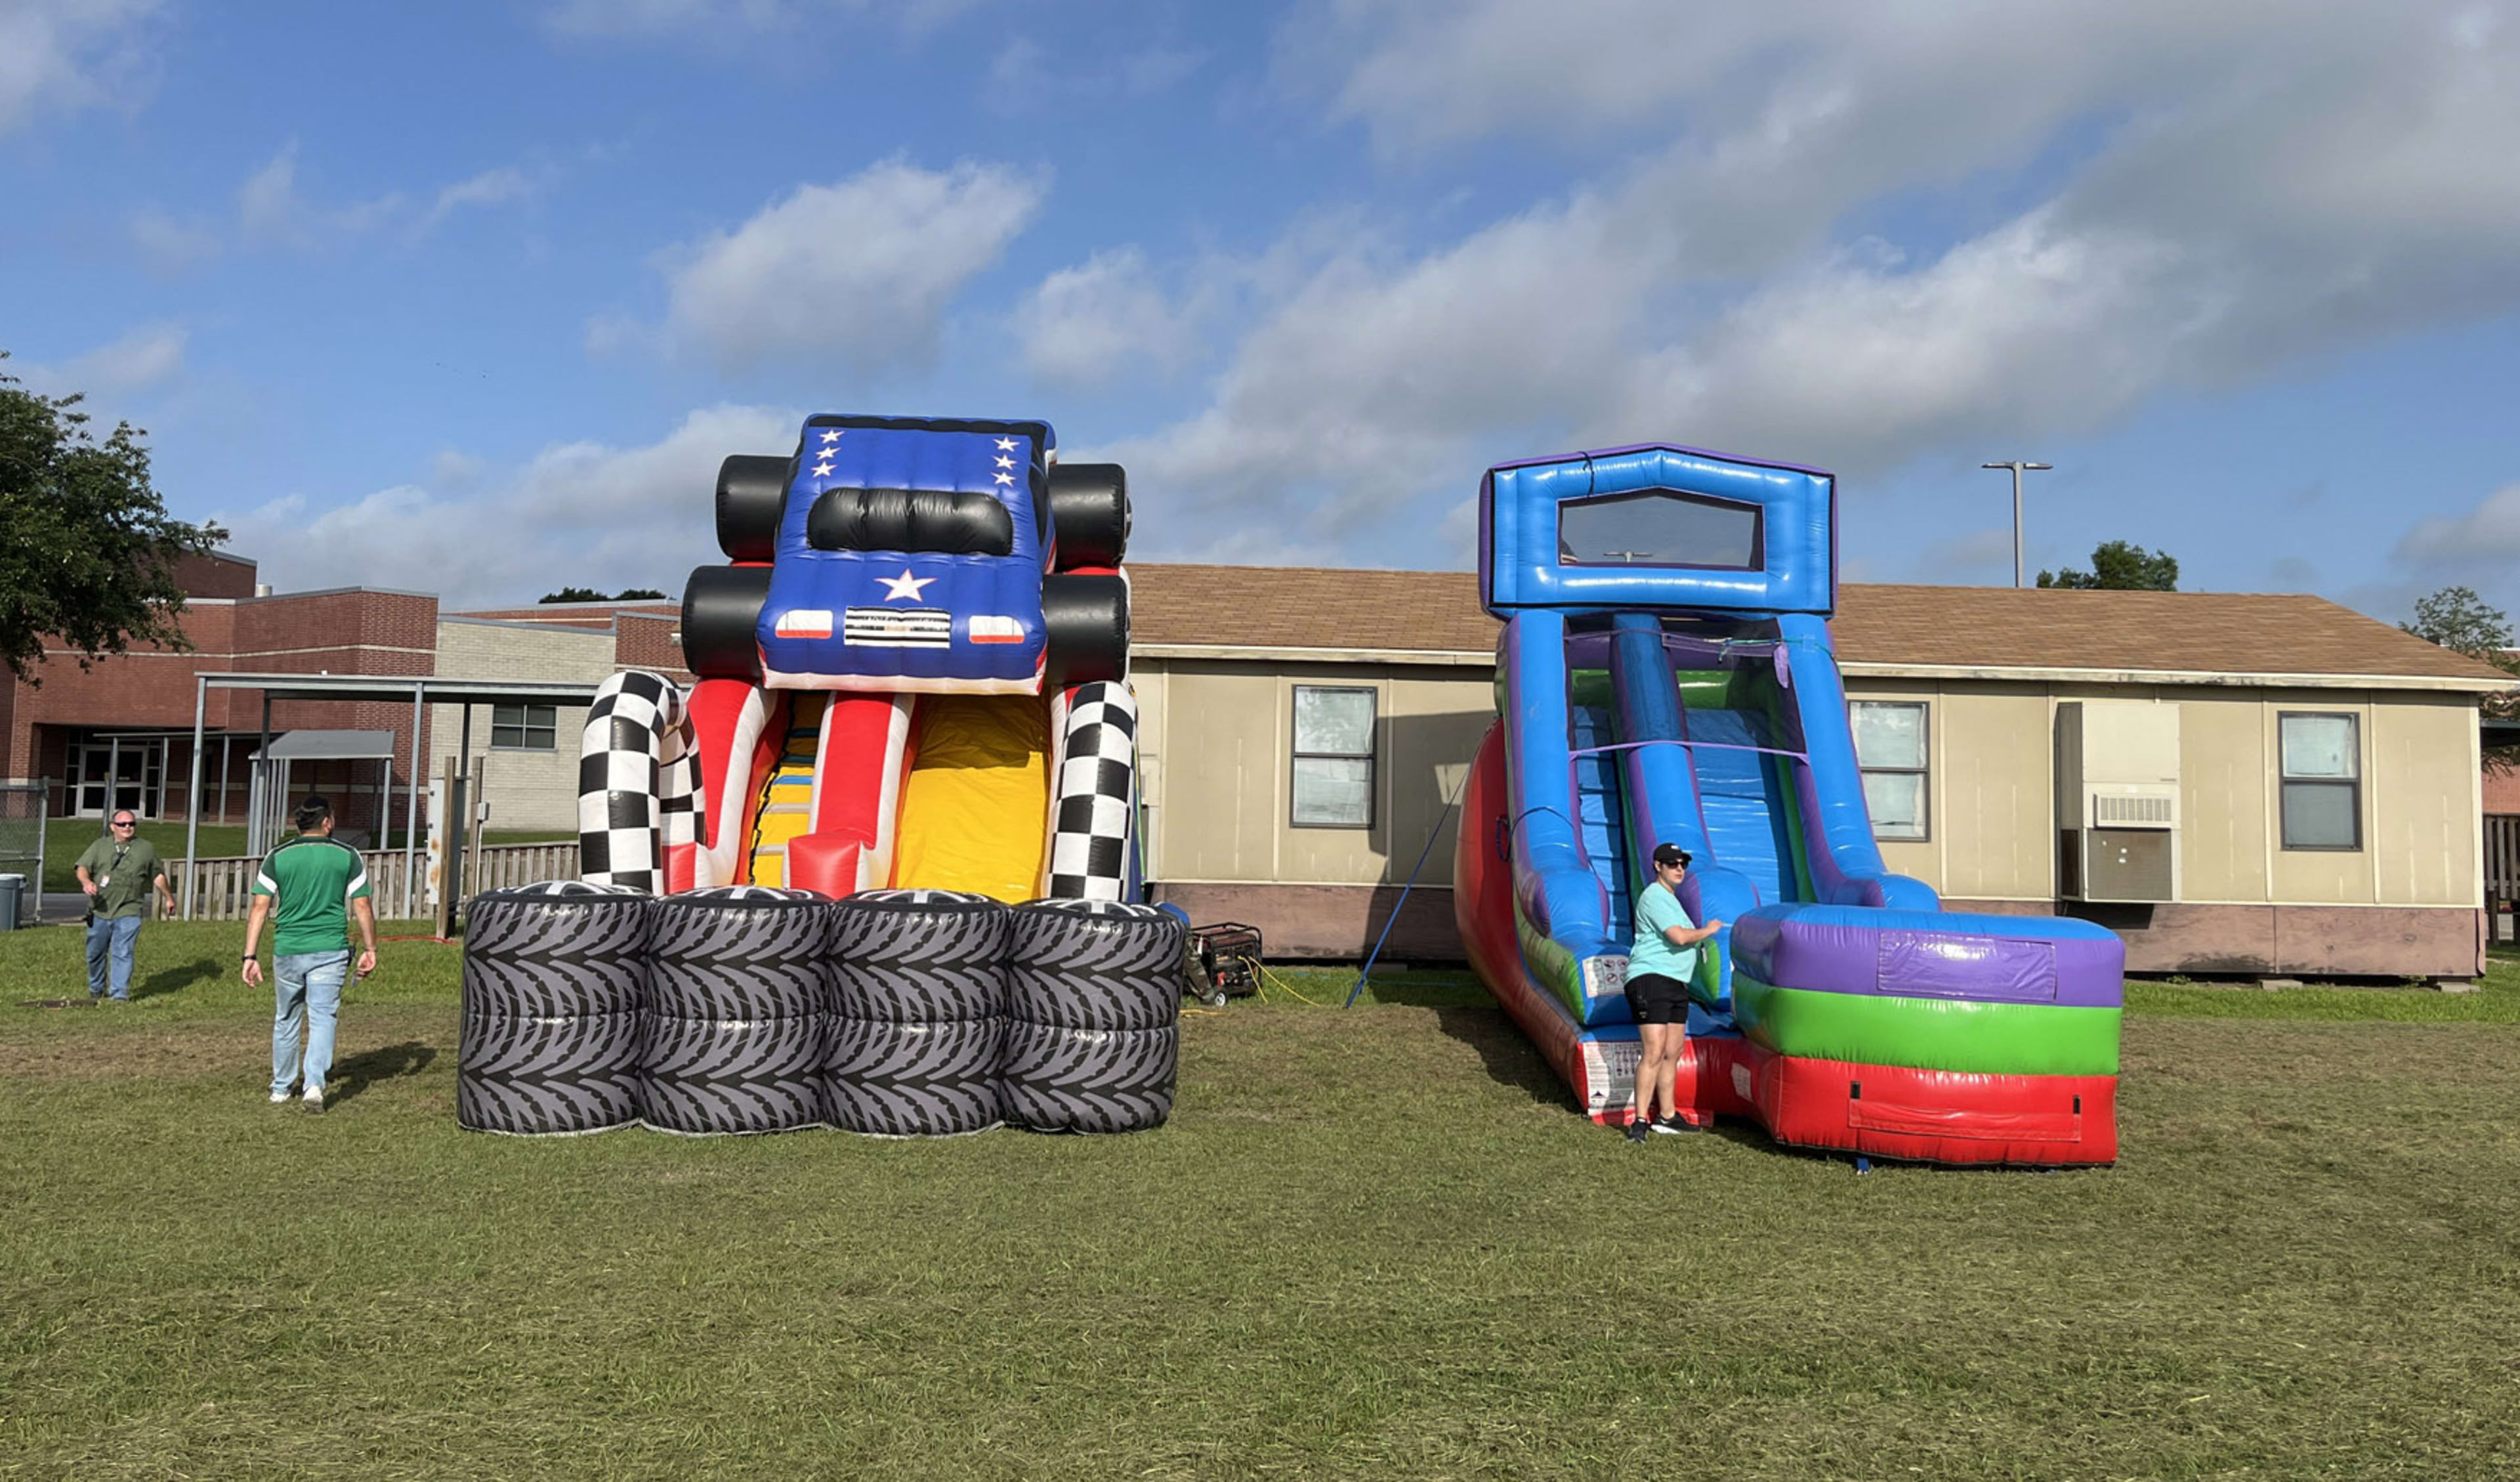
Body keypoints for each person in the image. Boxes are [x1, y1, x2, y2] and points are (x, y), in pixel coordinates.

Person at [241, 795, 379, 1114]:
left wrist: (250, 956)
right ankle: (314, 1084)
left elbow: (260, 907)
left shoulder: (277, 856)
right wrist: (370, 948)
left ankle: (281, 1087)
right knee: (322, 1017)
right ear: (327, 822)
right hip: (330, 949)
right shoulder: (347, 855)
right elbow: (362, 904)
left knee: (286, 1017)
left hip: (288, 949)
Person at [1624, 842, 1725, 1143]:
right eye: (1672, 864)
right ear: (1658, 866)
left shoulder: (1672, 901)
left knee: (1673, 1051)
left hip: (1675, 982)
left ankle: (1667, 1116)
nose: (1679, 869)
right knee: (1654, 1051)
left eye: (1683, 864)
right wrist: (1708, 931)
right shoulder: (1654, 896)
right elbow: (1678, 937)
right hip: (1651, 978)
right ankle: (1639, 1121)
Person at [74, 810, 176, 1002]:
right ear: (113, 827)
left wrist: (169, 897)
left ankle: (119, 994)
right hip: (100, 910)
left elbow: (157, 875)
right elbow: (82, 867)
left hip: (130, 909)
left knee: (123, 951)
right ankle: (96, 989)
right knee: (95, 954)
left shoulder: (146, 848)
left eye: (131, 824)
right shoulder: (100, 846)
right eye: (122, 824)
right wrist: (86, 882)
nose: (127, 827)